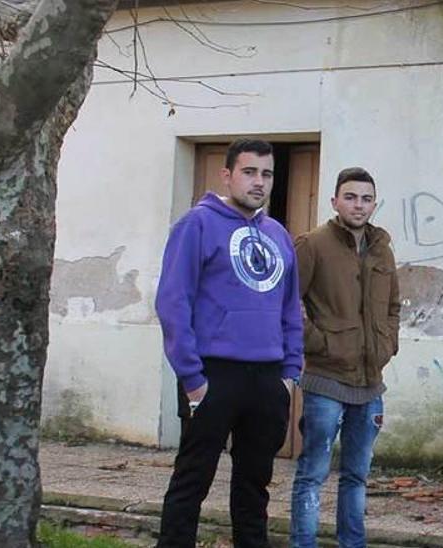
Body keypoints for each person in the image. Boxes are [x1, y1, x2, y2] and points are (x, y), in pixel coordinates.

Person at [154, 138, 303, 548]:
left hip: (268, 379)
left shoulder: (278, 235)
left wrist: (289, 375)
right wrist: (192, 378)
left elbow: (291, 309)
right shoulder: (197, 225)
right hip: (213, 375)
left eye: (267, 173)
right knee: (192, 482)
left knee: (254, 489)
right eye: (249, 171)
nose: (259, 181)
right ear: (228, 174)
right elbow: (173, 302)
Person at [289, 167, 400, 548]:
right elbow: (285, 305)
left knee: (357, 475)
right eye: (350, 197)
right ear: (335, 201)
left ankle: (352, 544)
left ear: (374, 203)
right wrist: (318, 342)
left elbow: (393, 307)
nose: (359, 205)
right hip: (326, 380)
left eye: (366, 198)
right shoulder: (313, 244)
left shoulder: (383, 248)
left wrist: (388, 343)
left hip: (370, 384)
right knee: (312, 473)